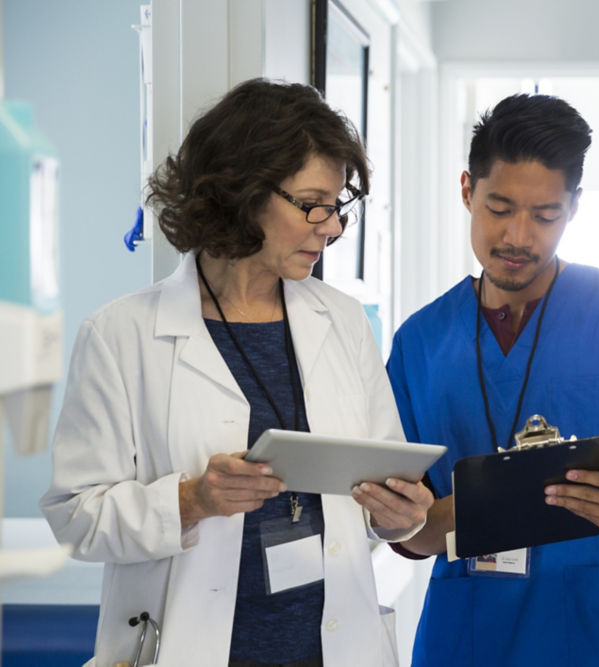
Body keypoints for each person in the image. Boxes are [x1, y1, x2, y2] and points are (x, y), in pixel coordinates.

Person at [40, 78, 432, 667]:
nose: (330, 227)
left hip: (334, 649)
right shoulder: (122, 335)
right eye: (312, 204)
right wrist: (192, 500)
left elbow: (378, 486)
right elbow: (76, 518)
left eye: (338, 207)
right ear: (244, 191)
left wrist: (397, 515)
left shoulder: (343, 321)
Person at [381, 93, 599, 666]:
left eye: (545, 216)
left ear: (574, 208)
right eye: (499, 207)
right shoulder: (420, 341)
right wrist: (439, 515)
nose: (519, 237)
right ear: (467, 190)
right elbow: (408, 536)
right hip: (471, 635)